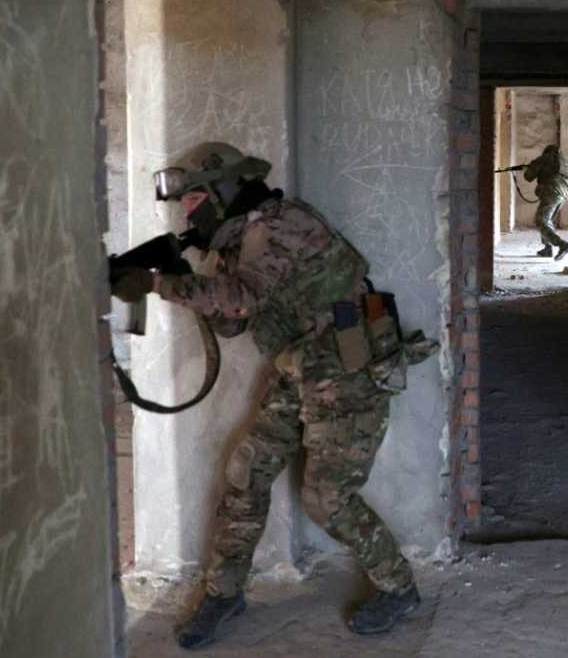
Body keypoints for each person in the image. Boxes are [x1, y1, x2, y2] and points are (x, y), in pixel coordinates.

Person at [111, 142, 434, 651]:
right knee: (246, 471)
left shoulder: (280, 224)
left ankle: (399, 588)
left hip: (347, 368)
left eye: (193, 200)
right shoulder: (238, 243)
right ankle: (224, 592)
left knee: (328, 497)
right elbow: (234, 322)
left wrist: (157, 283)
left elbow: (243, 298)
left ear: (225, 188)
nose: (186, 212)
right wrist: (181, 280)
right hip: (298, 364)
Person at [523, 143, 568, 261]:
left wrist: (531, 167)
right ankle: (547, 248)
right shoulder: (563, 162)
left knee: (541, 220)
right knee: (547, 220)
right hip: (564, 193)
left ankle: (562, 244)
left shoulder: (545, 158)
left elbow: (528, 176)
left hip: (552, 191)